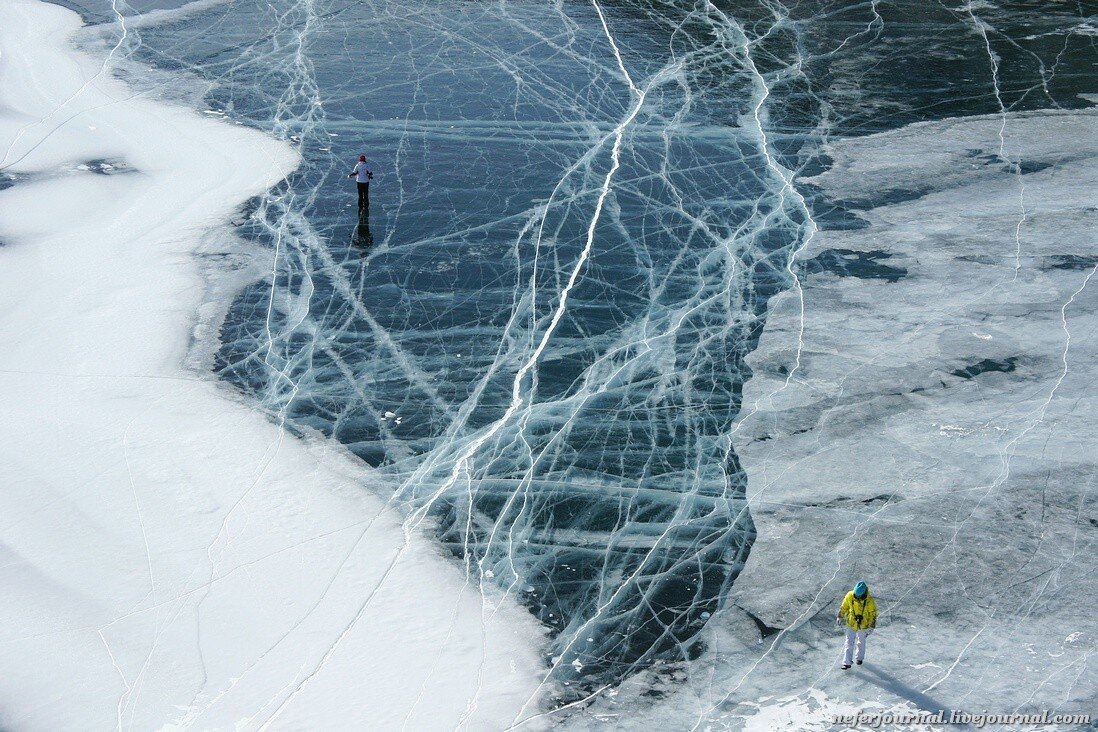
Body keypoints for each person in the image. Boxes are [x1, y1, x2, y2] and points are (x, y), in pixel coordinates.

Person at [836, 580, 877, 669]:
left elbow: (872, 614)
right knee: (849, 642)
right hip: (851, 622)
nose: (857, 596)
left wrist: (872, 625)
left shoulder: (869, 601)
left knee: (861, 641)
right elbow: (844, 606)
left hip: (864, 624)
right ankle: (846, 662)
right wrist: (840, 616)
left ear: (863, 594)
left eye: (859, 595)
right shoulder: (850, 595)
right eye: (856, 594)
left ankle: (859, 658)